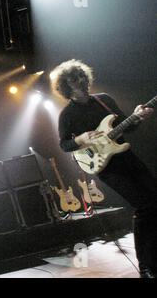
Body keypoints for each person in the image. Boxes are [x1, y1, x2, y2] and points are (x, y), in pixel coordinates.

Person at [52, 59, 156, 278]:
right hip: (107, 167)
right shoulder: (67, 115)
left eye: (82, 78)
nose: (81, 83)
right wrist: (81, 138)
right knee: (144, 206)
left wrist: (138, 116)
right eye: (74, 80)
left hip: (126, 156)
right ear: (66, 86)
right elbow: (64, 145)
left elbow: (128, 125)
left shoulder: (104, 101)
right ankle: (146, 265)